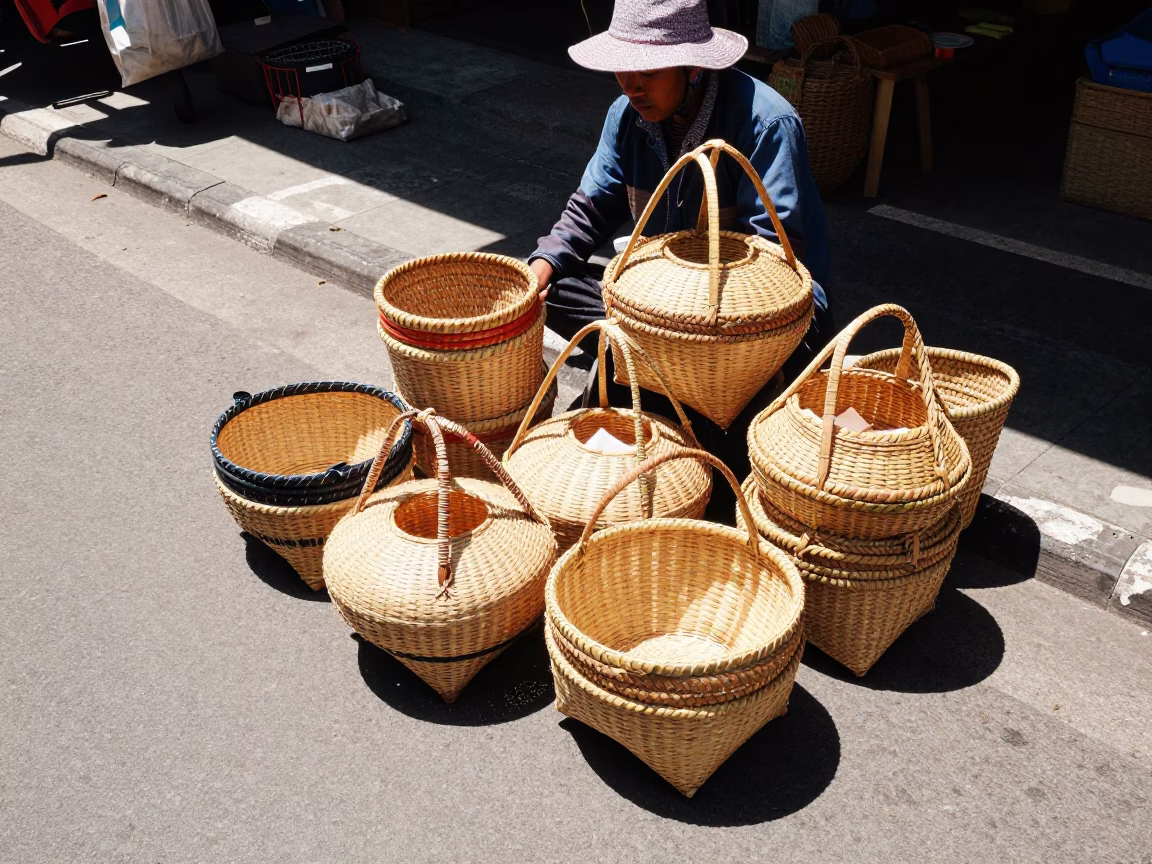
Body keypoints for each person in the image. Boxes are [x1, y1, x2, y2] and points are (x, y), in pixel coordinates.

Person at [527, 0, 833, 509]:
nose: (631, 85)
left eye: (647, 71)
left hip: (750, 324)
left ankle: (659, 378)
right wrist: (538, 269)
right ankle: (651, 370)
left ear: (694, 67)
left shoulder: (767, 123)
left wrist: (683, 328)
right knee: (550, 288)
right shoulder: (625, 117)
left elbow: (777, 261)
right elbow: (591, 207)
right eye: (622, 70)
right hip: (661, 311)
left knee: (731, 456)